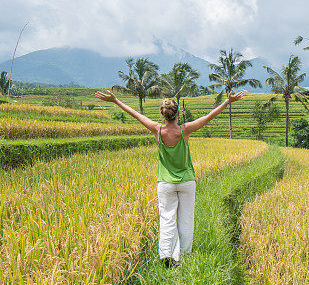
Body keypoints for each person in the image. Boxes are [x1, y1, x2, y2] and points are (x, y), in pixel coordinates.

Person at [95, 88, 246, 266]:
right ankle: (184, 255)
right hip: (187, 182)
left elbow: (136, 115)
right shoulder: (185, 130)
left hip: (165, 183)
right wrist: (227, 102)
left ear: (162, 114)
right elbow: (208, 118)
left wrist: (116, 101)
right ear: (178, 113)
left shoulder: (157, 130)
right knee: (186, 218)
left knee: (167, 218)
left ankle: (167, 254)